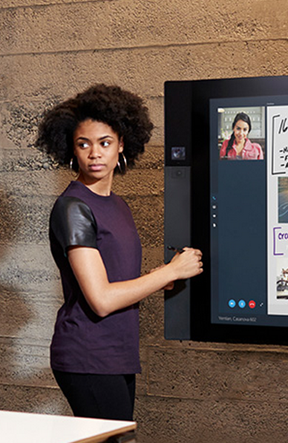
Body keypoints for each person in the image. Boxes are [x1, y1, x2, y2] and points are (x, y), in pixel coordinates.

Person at [36, 84, 204, 421]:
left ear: (122, 145)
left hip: (116, 353)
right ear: (71, 148)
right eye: (83, 144)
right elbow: (101, 299)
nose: (94, 154)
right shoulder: (73, 207)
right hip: (88, 355)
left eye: (104, 143)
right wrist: (168, 273)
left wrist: (161, 279)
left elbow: (117, 276)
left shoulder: (117, 205)